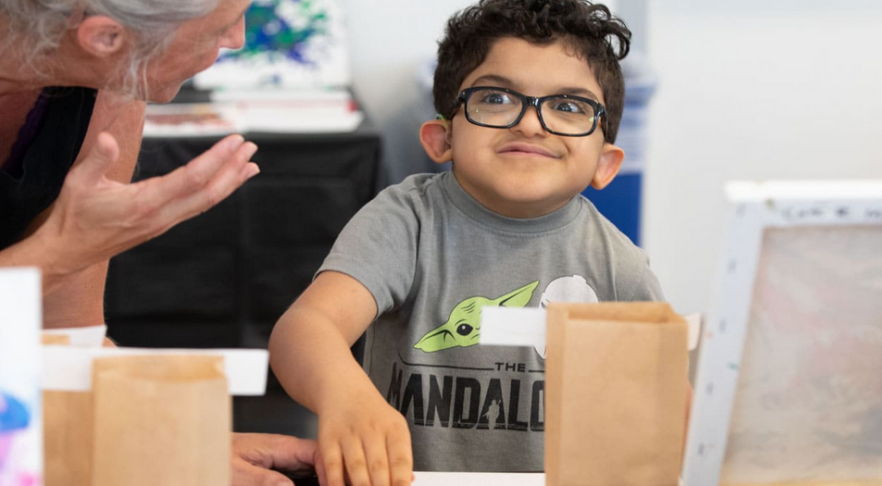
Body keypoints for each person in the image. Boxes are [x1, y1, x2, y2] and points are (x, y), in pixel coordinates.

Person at [269, 0, 665, 484]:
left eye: (568, 106)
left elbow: (663, 398)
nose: (531, 123)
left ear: (606, 163)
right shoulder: (404, 222)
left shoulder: (618, 265)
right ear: (440, 139)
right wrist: (343, 392)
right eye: (496, 99)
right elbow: (305, 329)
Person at [0, 1, 317, 484]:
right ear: (106, 37)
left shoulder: (115, 79)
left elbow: (66, 335)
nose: (237, 38)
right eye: (221, 25)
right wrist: (61, 253)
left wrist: (162, 439)